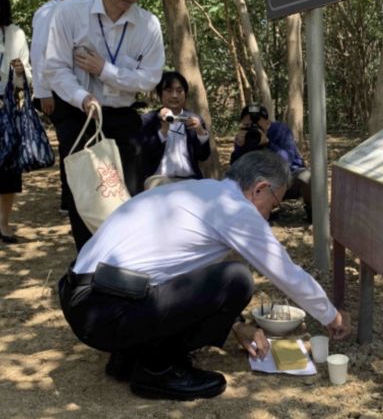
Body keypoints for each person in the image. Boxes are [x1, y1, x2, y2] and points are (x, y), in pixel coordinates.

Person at [58, 150, 351, 400]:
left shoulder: (201, 191)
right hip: (106, 311)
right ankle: (156, 370)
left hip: (84, 299)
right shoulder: (235, 209)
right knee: (236, 279)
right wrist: (331, 316)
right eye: (273, 205)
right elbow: (285, 272)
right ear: (259, 188)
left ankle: (131, 356)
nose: (267, 216)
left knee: (219, 276)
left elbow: (184, 274)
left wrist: (236, 325)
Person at [44, 0, 165, 251]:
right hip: (80, 117)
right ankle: (89, 263)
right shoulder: (69, 13)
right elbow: (55, 67)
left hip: (123, 117)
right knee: (85, 196)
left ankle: (124, 259)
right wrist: (81, 97)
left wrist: (105, 71)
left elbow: (150, 77)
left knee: (128, 194)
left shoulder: (148, 24)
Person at [30, 0, 84, 215]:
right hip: (56, 92)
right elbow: (39, 54)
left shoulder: (77, 12)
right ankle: (68, 200)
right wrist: (43, 91)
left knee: (79, 143)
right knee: (69, 145)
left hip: (76, 88)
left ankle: (76, 196)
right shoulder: (47, 13)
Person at [230, 104, 312, 222]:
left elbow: (287, 160)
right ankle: (260, 211)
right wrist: (240, 147)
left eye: (257, 123)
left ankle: (312, 212)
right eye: (247, 125)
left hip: (287, 178)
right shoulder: (244, 136)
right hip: (260, 184)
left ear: (268, 123)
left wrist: (267, 143)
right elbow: (235, 168)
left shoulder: (280, 130)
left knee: (307, 177)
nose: (253, 128)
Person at [139, 71, 210, 190]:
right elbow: (144, 155)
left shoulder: (194, 120)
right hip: (158, 180)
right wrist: (163, 130)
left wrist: (200, 132)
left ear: (185, 94)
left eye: (179, 90)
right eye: (168, 91)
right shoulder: (148, 120)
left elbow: (203, 156)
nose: (174, 95)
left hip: (190, 180)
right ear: (160, 94)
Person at [0, 0, 32, 244]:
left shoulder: (15, 35)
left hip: (7, 108)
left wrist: (21, 72)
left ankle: (3, 225)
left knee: (9, 172)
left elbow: (28, 78)